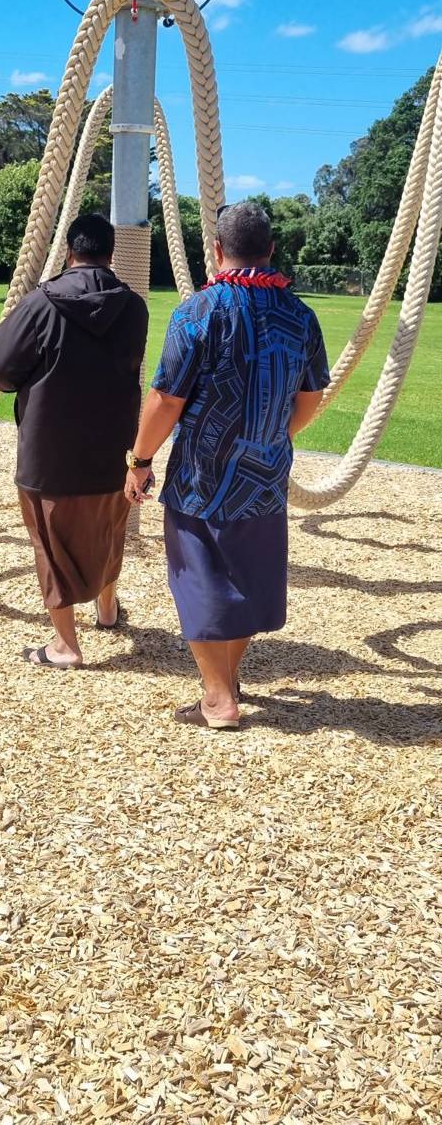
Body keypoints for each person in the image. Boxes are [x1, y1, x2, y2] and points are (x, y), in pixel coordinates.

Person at [124, 201, 330, 731]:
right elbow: (310, 397)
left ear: (216, 250)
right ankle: (226, 679)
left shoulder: (199, 311)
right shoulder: (301, 315)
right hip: (264, 476)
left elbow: (167, 399)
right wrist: (271, 438)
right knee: (247, 574)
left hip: (202, 476)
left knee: (198, 575)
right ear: (272, 250)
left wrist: (140, 461)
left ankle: (217, 698)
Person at [0, 213, 148, 669]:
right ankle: (108, 606)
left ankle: (65, 645)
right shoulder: (134, 307)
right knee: (110, 529)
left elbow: (0, 369)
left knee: (49, 542)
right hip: (115, 444)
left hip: (49, 447)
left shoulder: (41, 304)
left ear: (68, 251)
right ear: (111, 253)